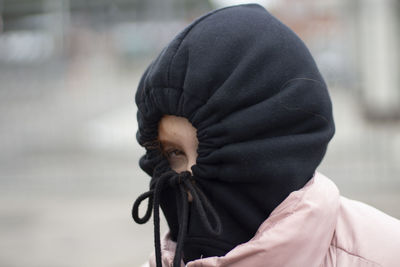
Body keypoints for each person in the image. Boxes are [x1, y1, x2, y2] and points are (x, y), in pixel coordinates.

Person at [132, 4, 400, 267]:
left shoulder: (384, 253)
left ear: (276, 146)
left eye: (216, 154)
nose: (188, 186)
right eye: (174, 153)